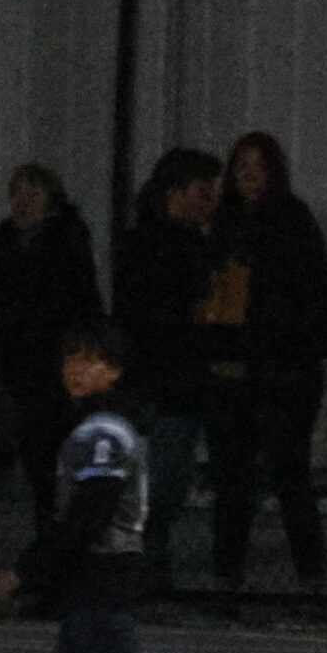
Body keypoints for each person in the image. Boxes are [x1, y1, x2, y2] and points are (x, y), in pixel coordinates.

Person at [0, 324, 147, 653]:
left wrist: (26, 571)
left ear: (114, 370)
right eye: (70, 358)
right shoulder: (100, 424)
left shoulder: (102, 432)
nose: (75, 369)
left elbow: (88, 515)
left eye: (90, 360)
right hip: (92, 583)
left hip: (101, 579)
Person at [206, 133, 327, 591]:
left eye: (259, 167)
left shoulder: (291, 220)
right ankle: (228, 576)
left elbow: (314, 295)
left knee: (288, 472)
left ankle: (310, 576)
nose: (249, 175)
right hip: (232, 369)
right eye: (242, 165)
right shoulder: (222, 221)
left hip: (282, 370)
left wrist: (289, 345)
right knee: (232, 479)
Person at [0, 165, 104, 529]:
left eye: (33, 195)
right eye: (18, 195)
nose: (23, 203)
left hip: (56, 358)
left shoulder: (66, 240)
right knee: (33, 441)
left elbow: (63, 300)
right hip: (15, 358)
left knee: (53, 436)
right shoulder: (2, 240)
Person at [110, 149, 221, 592]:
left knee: (160, 485)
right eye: (202, 192)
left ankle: (147, 571)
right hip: (166, 380)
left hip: (162, 379)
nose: (210, 202)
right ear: (177, 192)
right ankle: (146, 573)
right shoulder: (170, 246)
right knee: (160, 486)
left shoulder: (148, 241)